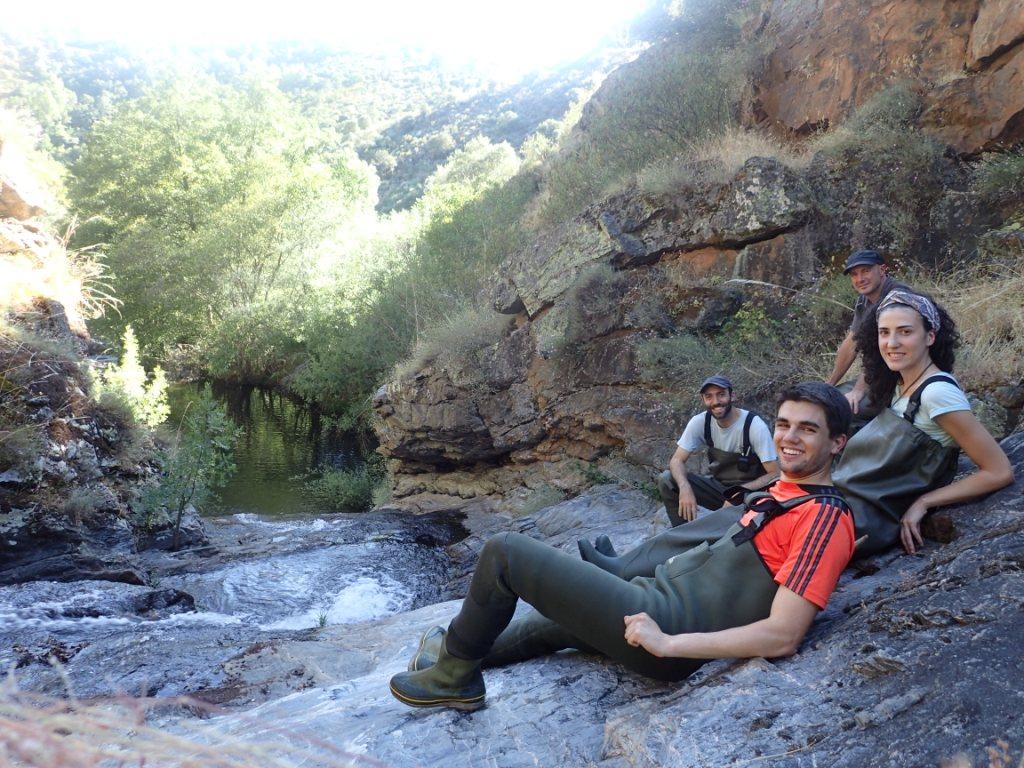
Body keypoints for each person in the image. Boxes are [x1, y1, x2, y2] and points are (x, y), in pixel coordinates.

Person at [389, 383, 855, 711]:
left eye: (807, 430)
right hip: (649, 599)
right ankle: (453, 654)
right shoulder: (784, 492)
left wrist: (669, 644)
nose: (789, 438)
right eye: (784, 424)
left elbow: (783, 635)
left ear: (838, 442)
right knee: (555, 624)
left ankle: (455, 679)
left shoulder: (825, 517)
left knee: (507, 551)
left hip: (665, 626)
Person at [833, 289, 1014, 555]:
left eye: (905, 332)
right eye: (884, 332)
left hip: (862, 520)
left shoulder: (937, 394)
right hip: (845, 502)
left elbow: (999, 471)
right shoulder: (901, 381)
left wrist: (924, 502)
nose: (892, 342)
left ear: (930, 336)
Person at [657, 375, 779, 527]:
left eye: (721, 394)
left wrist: (739, 493)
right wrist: (684, 487)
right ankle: (682, 535)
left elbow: (774, 473)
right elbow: (676, 460)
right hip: (719, 489)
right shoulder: (701, 422)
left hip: (750, 493)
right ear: (703, 399)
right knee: (667, 479)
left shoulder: (754, 426)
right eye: (709, 397)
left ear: (732, 395)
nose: (715, 402)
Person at [826, 249, 910, 420]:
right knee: (825, 399)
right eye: (854, 274)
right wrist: (829, 384)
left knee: (841, 410)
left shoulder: (897, 299)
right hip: (883, 374)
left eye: (866, 271)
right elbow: (851, 344)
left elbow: (884, 351)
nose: (860, 279)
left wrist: (858, 390)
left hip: (904, 377)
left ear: (882, 270)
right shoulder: (865, 300)